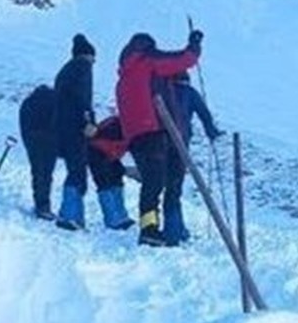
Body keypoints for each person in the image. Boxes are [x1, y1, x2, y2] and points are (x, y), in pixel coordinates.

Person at [115, 29, 202, 246]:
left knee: (151, 183)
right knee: (165, 182)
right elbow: (183, 60)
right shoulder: (147, 61)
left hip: (134, 137)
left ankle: (149, 227)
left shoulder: (123, 78)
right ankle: (155, 231)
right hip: (154, 130)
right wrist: (194, 44)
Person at [161, 71, 223, 244]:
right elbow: (204, 114)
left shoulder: (164, 91)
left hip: (161, 145)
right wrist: (211, 132)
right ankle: (174, 232)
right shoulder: (190, 93)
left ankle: (176, 228)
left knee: (167, 187)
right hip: (181, 145)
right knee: (175, 188)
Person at [53, 34, 97, 231]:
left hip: (61, 125)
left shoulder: (64, 71)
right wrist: (89, 121)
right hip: (75, 126)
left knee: (74, 168)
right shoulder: (83, 67)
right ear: (87, 55)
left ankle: (75, 215)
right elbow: (84, 98)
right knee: (78, 169)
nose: (93, 62)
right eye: (93, 58)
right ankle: (70, 215)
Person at [87, 115, 135, 230]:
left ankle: (121, 215)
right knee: (104, 182)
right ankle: (112, 218)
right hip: (96, 151)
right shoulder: (115, 125)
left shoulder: (129, 126)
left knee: (117, 178)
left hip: (111, 154)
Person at [18, 84, 57, 221]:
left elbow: (23, 124)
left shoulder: (28, 102)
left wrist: (28, 141)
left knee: (37, 172)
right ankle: (44, 206)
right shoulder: (55, 100)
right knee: (46, 174)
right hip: (49, 141)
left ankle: (40, 205)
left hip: (33, 141)